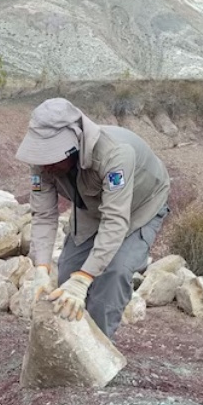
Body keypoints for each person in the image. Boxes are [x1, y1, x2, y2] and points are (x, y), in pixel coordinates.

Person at [15, 98, 171, 339]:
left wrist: (86, 278)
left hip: (138, 207)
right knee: (68, 272)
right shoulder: (43, 164)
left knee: (113, 274)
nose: (45, 166)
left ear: (74, 143)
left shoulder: (115, 155)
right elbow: (44, 215)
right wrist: (42, 267)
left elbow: (115, 220)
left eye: (51, 157)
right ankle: (69, 344)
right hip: (92, 206)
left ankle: (96, 351)